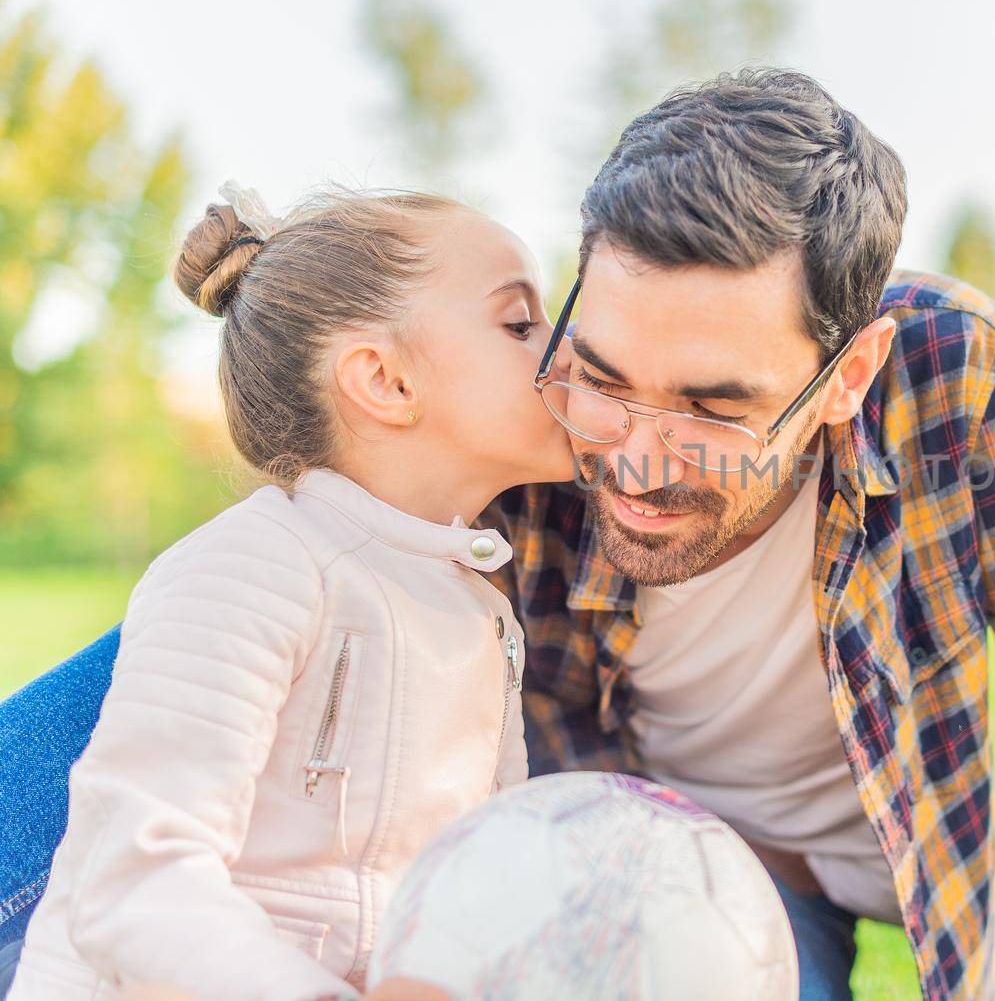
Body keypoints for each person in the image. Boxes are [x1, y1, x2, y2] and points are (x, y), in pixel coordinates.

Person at [484, 68, 995, 1000]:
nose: (636, 463)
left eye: (713, 412)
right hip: (664, 864)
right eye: (604, 382)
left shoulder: (957, 375)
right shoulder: (521, 399)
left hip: (910, 857)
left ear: (850, 376)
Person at [4, 187, 571, 1000]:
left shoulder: (484, 618)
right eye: (520, 325)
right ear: (384, 381)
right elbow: (133, 879)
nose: (567, 353)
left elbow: (474, 897)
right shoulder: (256, 564)